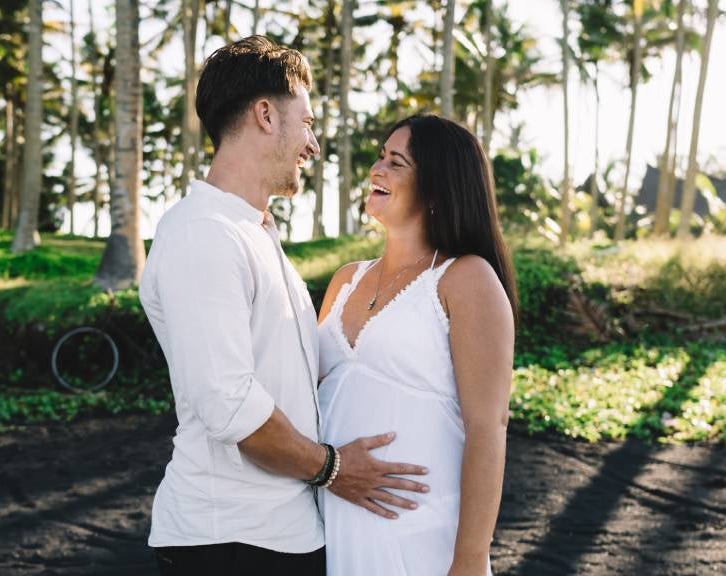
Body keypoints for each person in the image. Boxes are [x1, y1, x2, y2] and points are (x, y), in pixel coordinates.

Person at [138, 37, 429, 576]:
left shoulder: (254, 235)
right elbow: (230, 405)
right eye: (307, 121)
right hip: (228, 541)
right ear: (266, 114)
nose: (313, 144)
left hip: (282, 534)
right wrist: (337, 469)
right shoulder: (202, 233)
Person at [317, 115, 518, 576]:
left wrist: (468, 561)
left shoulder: (465, 278)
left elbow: (489, 426)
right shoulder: (346, 279)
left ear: (436, 189)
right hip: (332, 525)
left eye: (396, 162)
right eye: (379, 157)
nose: (376, 170)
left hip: (421, 536)